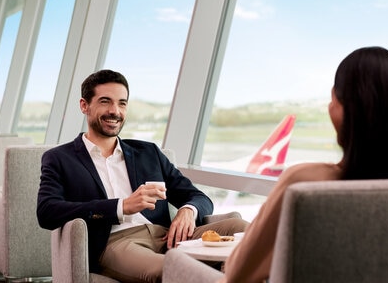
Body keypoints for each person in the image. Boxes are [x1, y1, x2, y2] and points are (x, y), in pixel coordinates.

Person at [218, 46, 388, 283]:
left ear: (342, 112)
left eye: (333, 100)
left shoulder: (304, 181)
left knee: (173, 263)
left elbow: (237, 274)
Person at [36, 69, 248, 283]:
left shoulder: (149, 153)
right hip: (115, 243)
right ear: (84, 105)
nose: (114, 111)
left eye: (122, 103)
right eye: (105, 101)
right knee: (169, 270)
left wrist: (187, 211)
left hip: (167, 236)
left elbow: (198, 197)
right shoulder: (60, 158)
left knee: (245, 230)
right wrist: (120, 206)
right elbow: (47, 211)